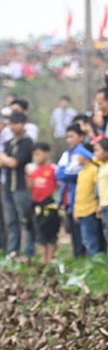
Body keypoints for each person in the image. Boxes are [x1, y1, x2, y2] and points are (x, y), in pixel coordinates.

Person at [1, 111, 35, 260]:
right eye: (11, 124)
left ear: (23, 124)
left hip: (22, 186)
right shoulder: (9, 143)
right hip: (8, 186)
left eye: (16, 123)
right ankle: (13, 250)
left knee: (26, 219)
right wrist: (7, 159)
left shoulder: (27, 142)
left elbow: (15, 162)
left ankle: (29, 250)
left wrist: (4, 158)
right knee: (11, 220)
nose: (13, 127)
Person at [56, 122, 85, 258]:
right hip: (67, 197)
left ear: (81, 137)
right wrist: (68, 173)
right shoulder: (66, 154)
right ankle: (77, 256)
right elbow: (60, 174)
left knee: (81, 229)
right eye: (67, 137)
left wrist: (68, 173)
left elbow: (76, 174)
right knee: (72, 228)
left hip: (80, 196)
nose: (69, 140)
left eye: (72, 136)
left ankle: (83, 256)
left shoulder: (83, 153)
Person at [27, 142, 59, 264]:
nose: (35, 157)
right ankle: (42, 260)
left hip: (50, 206)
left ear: (46, 154)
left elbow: (57, 186)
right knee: (40, 233)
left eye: (38, 154)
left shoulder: (53, 169)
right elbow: (31, 187)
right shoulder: (34, 171)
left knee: (51, 234)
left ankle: (50, 259)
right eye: (34, 155)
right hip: (37, 206)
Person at [73, 143, 101, 256]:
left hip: (90, 210)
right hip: (81, 211)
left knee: (91, 240)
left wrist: (98, 206)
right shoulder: (82, 172)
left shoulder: (94, 170)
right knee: (86, 240)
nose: (77, 157)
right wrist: (76, 211)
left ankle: (95, 262)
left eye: (79, 154)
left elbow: (98, 190)